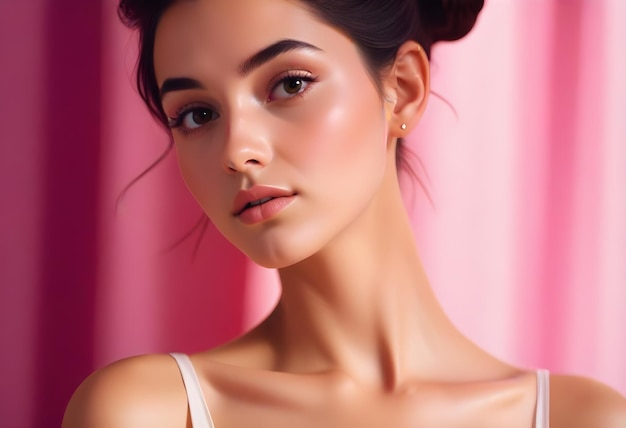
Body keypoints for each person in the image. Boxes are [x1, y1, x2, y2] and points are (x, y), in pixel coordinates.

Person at [63, 0, 626, 427]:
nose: (238, 150)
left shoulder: (582, 418)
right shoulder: (153, 411)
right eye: (196, 114)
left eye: (289, 84)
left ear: (402, 90)